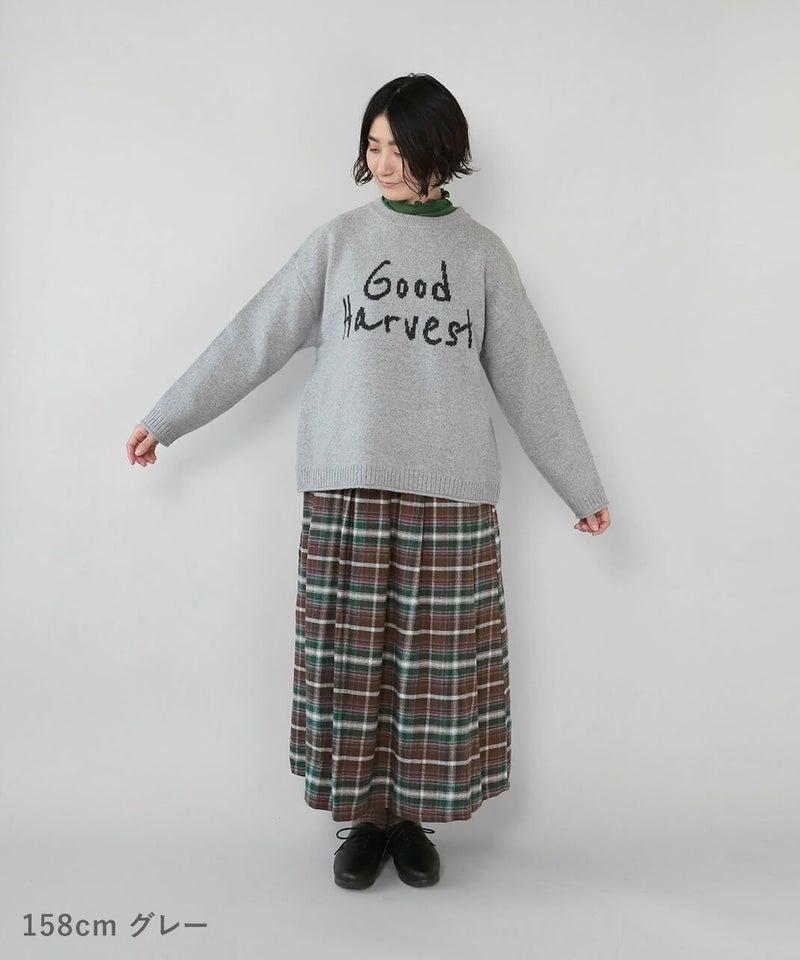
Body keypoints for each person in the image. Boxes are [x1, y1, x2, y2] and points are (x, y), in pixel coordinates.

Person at [126, 72, 612, 891]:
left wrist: (582, 488)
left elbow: (531, 377)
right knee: (351, 666)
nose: (383, 164)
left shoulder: (481, 254)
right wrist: (167, 417)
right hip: (347, 486)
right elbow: (255, 335)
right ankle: (364, 819)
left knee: (432, 672)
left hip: (450, 494)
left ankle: (413, 818)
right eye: (374, 146)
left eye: (400, 149)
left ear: (441, 152)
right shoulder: (339, 243)